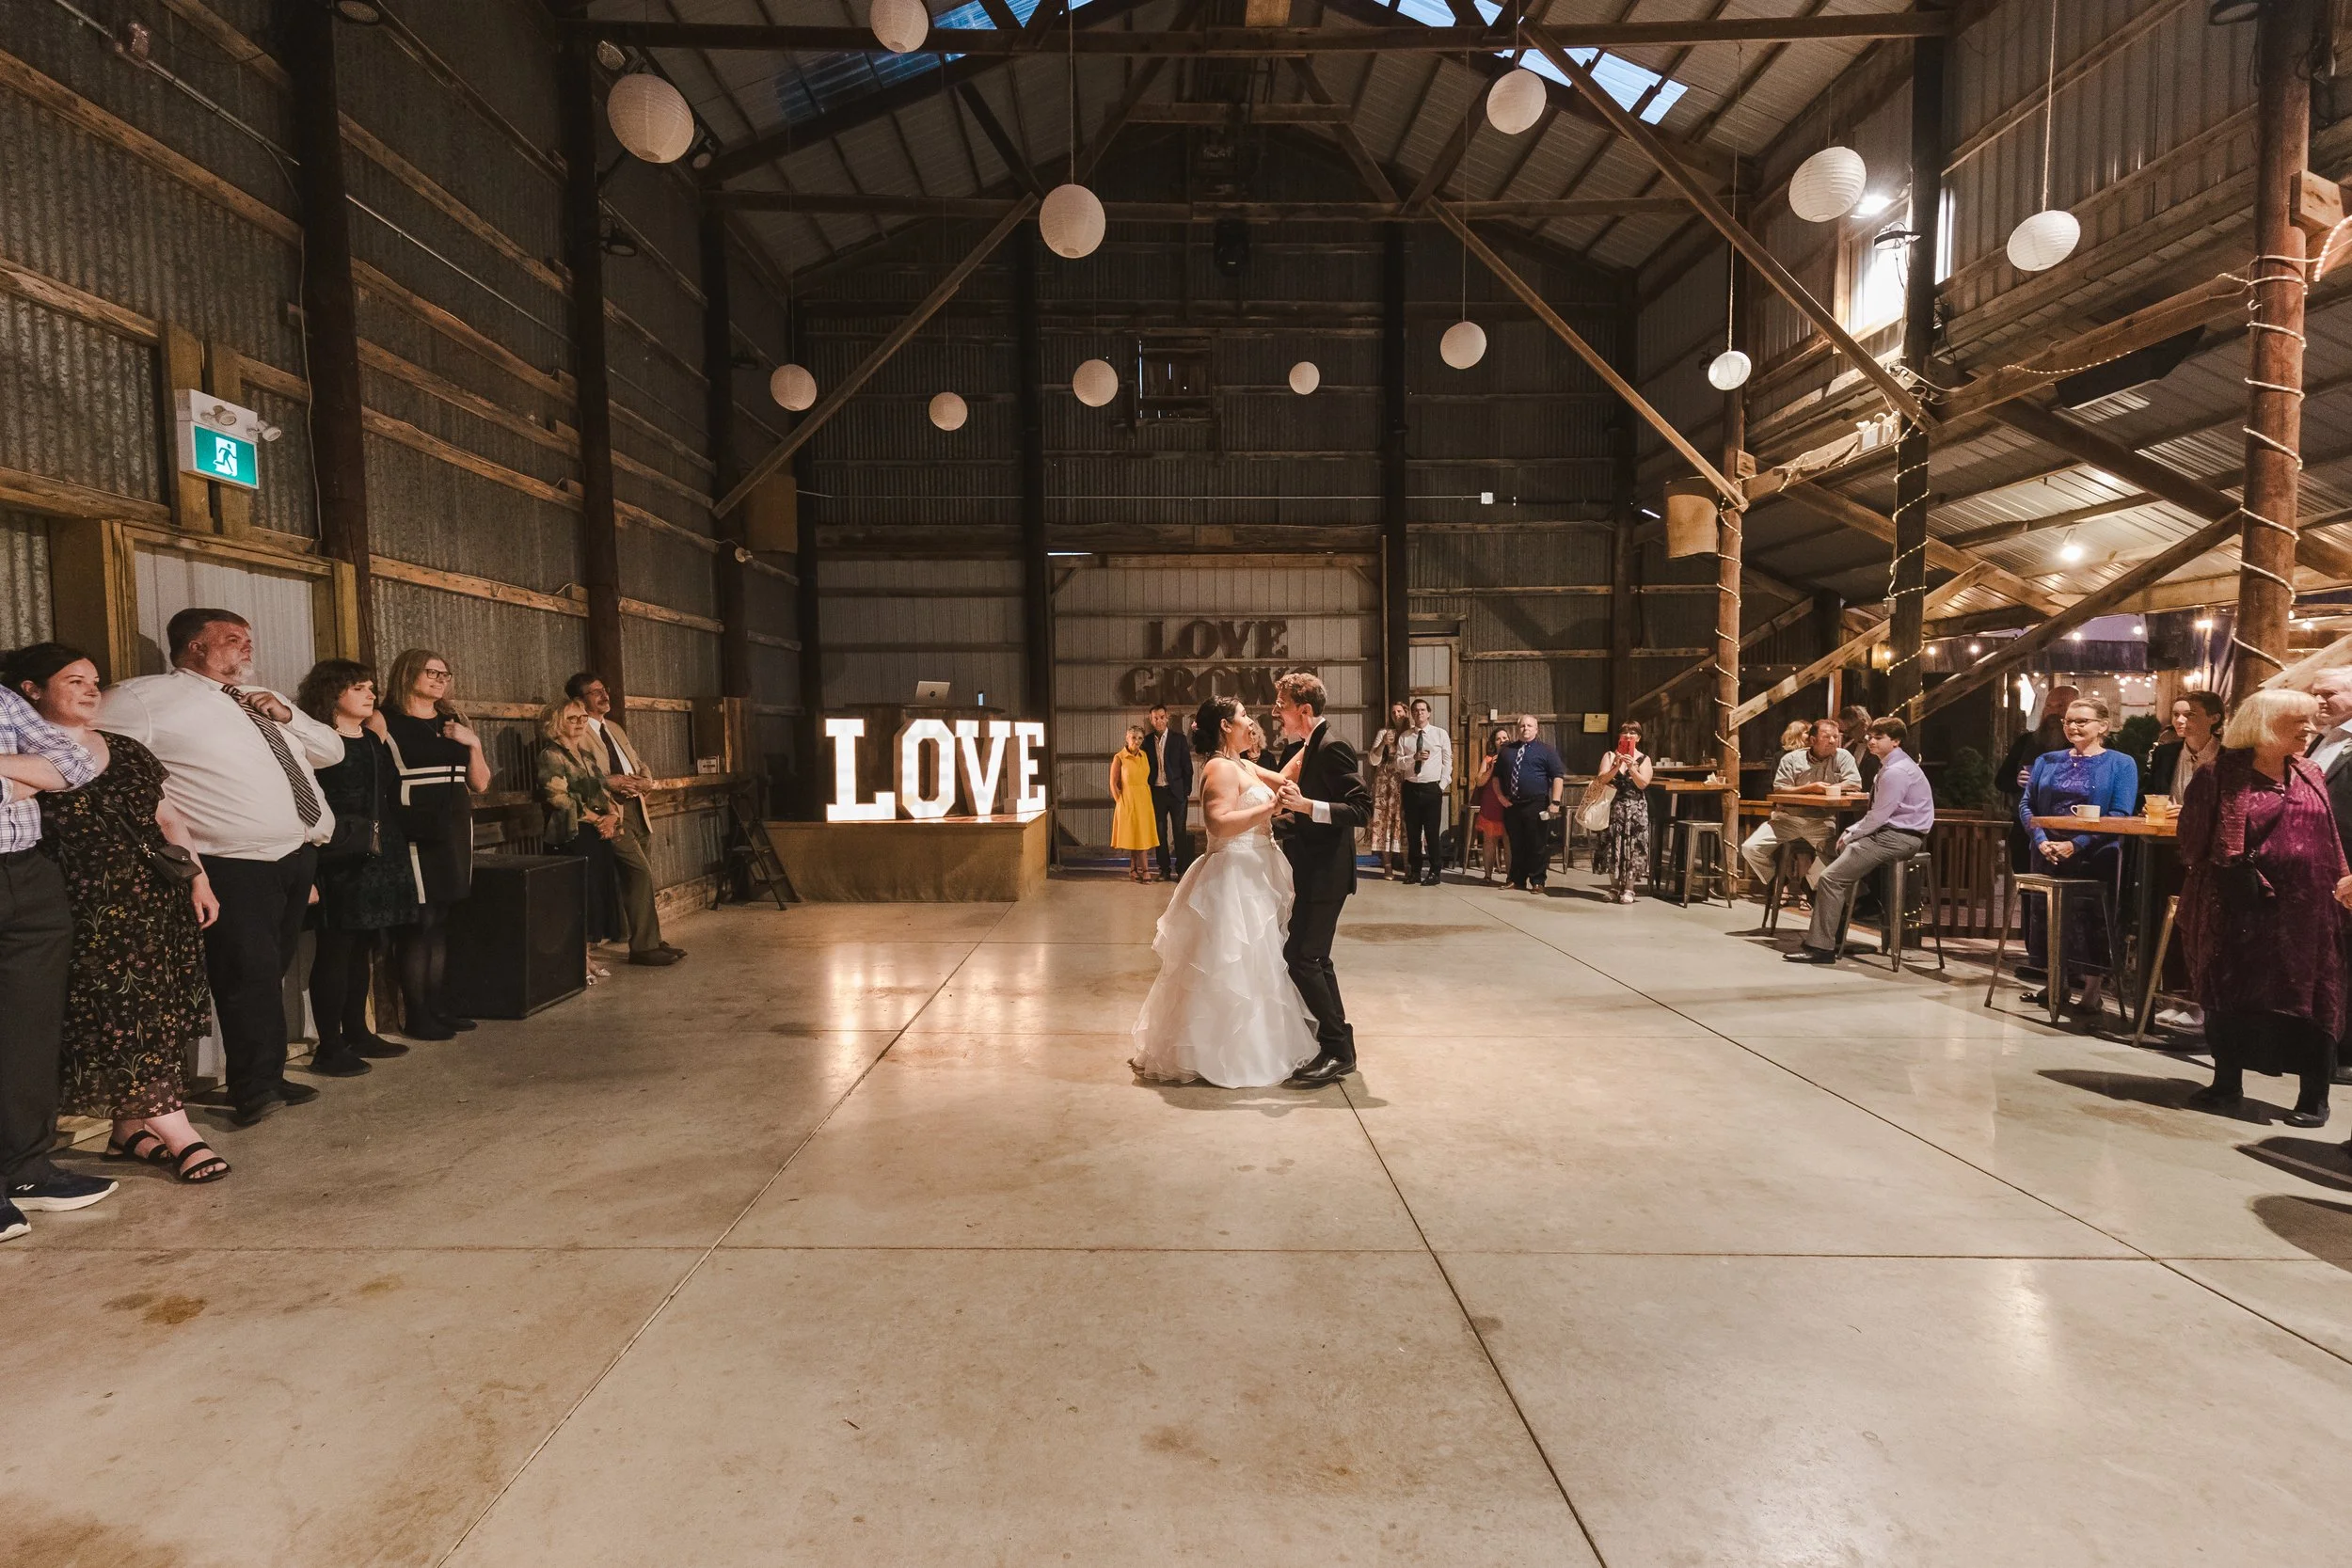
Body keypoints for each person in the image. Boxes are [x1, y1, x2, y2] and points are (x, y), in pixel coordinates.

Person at [99, 609, 341, 1127]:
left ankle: (268, 1075)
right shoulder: (144, 698)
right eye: (232, 639)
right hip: (231, 863)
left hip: (295, 855)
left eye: (248, 638)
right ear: (194, 648)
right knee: (247, 973)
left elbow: (333, 750)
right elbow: (87, 746)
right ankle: (254, 1089)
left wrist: (288, 714)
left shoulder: (261, 701)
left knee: (269, 970)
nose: (246, 647)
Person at [8, 644, 224, 1185]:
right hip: (85, 911)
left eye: (95, 681)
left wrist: (199, 876)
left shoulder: (123, 749)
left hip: (155, 903)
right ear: (32, 690)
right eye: (74, 679)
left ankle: (128, 1129)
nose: (90, 689)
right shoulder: (18, 745)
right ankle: (179, 1133)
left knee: (158, 1014)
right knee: (123, 1017)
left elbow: (167, 817)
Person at [2177, 689, 2352, 1126]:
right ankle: (2226, 1083)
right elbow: (2192, 844)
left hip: (2309, 912)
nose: (2309, 729)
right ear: (2264, 725)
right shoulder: (2217, 776)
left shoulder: (2310, 772)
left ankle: (2314, 1096)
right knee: (2231, 989)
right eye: (2299, 722)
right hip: (2241, 907)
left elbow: (2329, 838)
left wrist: (2344, 881)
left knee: (2314, 996)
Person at [1129, 696, 1319, 1087]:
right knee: (1229, 961)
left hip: (1254, 873)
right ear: (1225, 727)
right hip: (1233, 876)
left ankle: (1259, 1043)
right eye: (1243, 716)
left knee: (1260, 961)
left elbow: (1284, 783)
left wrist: (1308, 738)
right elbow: (1219, 823)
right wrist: (1269, 811)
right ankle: (1218, 1050)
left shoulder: (1241, 763)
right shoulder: (1218, 768)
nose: (1250, 721)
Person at [0, 673, 117, 1238]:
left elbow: (71, 763)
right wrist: (20, 775)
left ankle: (24, 1169)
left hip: (25, 873)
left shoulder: (2, 700)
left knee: (30, 1030)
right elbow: (46, 772)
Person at [297, 658, 419, 1077]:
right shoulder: (316, 742)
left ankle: (357, 1031)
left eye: (371, 687)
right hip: (338, 856)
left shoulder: (370, 739)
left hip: (377, 852)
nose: (370, 694)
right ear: (333, 694)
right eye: (359, 688)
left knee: (364, 946)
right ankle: (329, 1046)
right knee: (336, 949)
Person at [379, 649, 490, 1039]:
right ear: (408, 673)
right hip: (414, 821)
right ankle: (418, 1014)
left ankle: (437, 1006)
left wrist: (473, 742)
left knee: (441, 920)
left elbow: (480, 783)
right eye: (431, 672)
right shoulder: (384, 719)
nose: (440, 680)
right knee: (419, 922)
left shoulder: (452, 721)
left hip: (455, 821)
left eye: (445, 674)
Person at [1271, 673, 1372, 1087]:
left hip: (1328, 874)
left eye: (1282, 705)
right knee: (1315, 957)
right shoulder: (1307, 746)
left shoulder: (1333, 747)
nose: (1277, 712)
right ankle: (1337, 1041)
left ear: (1304, 709)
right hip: (1312, 870)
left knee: (1301, 958)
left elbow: (1362, 810)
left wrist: (1306, 806)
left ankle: (1337, 1050)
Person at [2017, 696, 2140, 1016]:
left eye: (2081, 721)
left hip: (2094, 854)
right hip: (2047, 852)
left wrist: (2078, 843)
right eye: (2068, 721)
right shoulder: (2047, 760)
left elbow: (2120, 814)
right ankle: (2054, 982)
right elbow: (2027, 804)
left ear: (2104, 726)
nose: (2072, 726)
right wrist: (2041, 839)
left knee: (2091, 921)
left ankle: (2092, 991)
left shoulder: (2120, 763)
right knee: (2046, 918)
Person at [1787, 717, 1935, 965]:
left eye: (1879, 737)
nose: (1871, 741)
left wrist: (1853, 833)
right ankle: (1841, 926)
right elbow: (1878, 814)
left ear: (1896, 741)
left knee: (1830, 878)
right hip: (1890, 832)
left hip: (1898, 837)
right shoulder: (1891, 765)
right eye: (1871, 736)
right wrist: (1853, 831)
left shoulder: (1896, 771)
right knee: (1828, 848)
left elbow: (1879, 815)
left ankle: (1821, 947)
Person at [565, 673, 684, 966]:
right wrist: (611, 782)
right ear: (579, 701)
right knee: (639, 872)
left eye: (604, 689)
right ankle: (643, 947)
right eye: (595, 693)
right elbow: (582, 774)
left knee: (642, 876)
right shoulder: (579, 732)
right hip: (611, 813)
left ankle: (652, 939)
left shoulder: (615, 728)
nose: (604, 696)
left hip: (636, 809)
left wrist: (647, 780)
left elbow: (637, 761)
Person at [535, 698, 625, 981]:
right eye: (572, 718)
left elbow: (603, 792)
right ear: (555, 722)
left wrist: (611, 816)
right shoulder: (552, 755)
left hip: (597, 834)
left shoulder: (586, 755)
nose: (579, 724)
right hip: (572, 835)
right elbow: (558, 797)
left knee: (595, 899)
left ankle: (586, 957)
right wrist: (597, 819)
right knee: (576, 901)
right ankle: (576, 962)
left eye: (583, 718)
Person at [1740, 717, 1861, 898]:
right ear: (1813, 740)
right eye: (1827, 737)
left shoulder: (1843, 756)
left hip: (1821, 821)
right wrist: (1810, 788)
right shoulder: (1792, 759)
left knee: (1841, 855)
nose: (1833, 741)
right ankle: (1776, 879)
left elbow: (1854, 784)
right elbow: (1780, 788)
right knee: (1750, 848)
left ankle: (1809, 883)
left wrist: (1827, 788)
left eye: (1836, 736)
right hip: (1787, 819)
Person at [1494, 714, 1566, 894]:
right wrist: (1501, 797)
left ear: (1537, 729)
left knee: (1537, 843)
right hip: (1512, 804)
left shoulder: (1547, 751)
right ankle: (1516, 879)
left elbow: (1557, 776)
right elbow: (1496, 777)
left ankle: (1537, 880)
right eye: (1522, 726)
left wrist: (1555, 802)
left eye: (1529, 726)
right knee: (1516, 844)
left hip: (1537, 803)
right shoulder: (1507, 750)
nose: (1525, 729)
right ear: (1517, 729)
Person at [1590, 720, 1655, 904]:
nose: (1628, 736)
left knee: (1634, 847)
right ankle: (1613, 887)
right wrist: (1616, 766)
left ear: (1639, 738)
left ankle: (1630, 888)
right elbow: (1601, 779)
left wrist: (1632, 768)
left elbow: (1643, 784)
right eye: (1625, 732)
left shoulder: (1644, 759)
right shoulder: (1610, 756)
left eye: (1633, 733)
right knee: (1611, 845)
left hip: (1636, 809)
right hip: (1614, 807)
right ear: (1619, 736)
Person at [1394, 698, 1453, 887]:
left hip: (1431, 787)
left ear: (1428, 713)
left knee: (1432, 832)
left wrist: (1442, 784)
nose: (1419, 713)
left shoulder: (1440, 734)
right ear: (1412, 714)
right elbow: (1398, 762)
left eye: (1422, 710)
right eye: (1415, 711)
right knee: (1413, 833)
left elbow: (1447, 761)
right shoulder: (1405, 737)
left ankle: (1435, 871)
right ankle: (1415, 871)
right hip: (1411, 787)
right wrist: (1414, 757)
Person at [1143, 702, 1194, 882]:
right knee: (1160, 832)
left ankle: (1182, 870)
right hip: (1156, 792)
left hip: (1177, 792)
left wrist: (1186, 790)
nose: (1159, 721)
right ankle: (1164, 869)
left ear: (1167, 718)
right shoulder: (1146, 741)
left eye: (1162, 717)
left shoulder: (1178, 739)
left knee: (1179, 832)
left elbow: (1187, 766)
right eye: (1155, 718)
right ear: (1151, 719)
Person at [2147, 689, 2225, 806]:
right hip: (2168, 823)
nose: (2179, 720)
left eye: (2190, 714)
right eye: (2176, 714)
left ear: (2214, 718)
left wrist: (2188, 813)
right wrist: (2149, 806)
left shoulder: (2230, 757)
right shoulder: (2163, 754)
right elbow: (2151, 793)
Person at [1363, 701, 1407, 879]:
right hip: (1385, 784)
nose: (1396, 715)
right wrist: (1382, 743)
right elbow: (1373, 760)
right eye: (1393, 712)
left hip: (1404, 783)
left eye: (1399, 711)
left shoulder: (1410, 733)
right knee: (1384, 823)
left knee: (1404, 823)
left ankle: (1407, 865)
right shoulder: (1384, 732)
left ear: (1406, 712)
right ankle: (1387, 866)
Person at [1108, 725, 1159, 881]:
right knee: (1137, 836)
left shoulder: (1144, 755)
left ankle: (1133, 869)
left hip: (1144, 799)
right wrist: (1120, 802)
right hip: (1128, 800)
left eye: (1140, 738)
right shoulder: (1120, 758)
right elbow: (1113, 782)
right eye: (1133, 737)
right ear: (1127, 738)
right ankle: (1145, 870)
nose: (1136, 741)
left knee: (1139, 835)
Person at [1469, 724, 1511, 882]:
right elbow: (1479, 781)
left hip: (1508, 802)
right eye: (1498, 739)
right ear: (1494, 742)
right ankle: (1487, 875)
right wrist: (1492, 766)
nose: (1501, 741)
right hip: (1491, 802)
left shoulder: (1514, 755)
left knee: (1508, 840)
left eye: (1504, 738)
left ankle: (1510, 876)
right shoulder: (1487, 759)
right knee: (1489, 840)